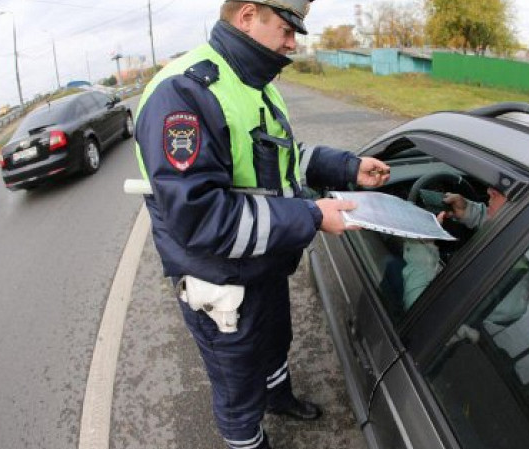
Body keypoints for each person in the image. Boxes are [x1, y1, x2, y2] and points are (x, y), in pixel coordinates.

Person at [132, 2, 390, 448]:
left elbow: (280, 160)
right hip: (221, 282)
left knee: (274, 343)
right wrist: (311, 216)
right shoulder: (185, 92)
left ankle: (280, 397)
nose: (294, 42)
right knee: (238, 388)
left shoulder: (254, 83)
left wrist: (348, 168)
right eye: (288, 28)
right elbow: (201, 218)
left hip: (263, 263)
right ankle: (250, 439)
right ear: (248, 16)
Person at [402, 187, 507, 309]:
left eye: (505, 189)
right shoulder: (518, 231)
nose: (489, 191)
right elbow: (507, 219)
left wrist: (420, 244)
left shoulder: (513, 287)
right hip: (451, 279)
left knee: (390, 264)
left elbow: (419, 311)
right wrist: (469, 211)